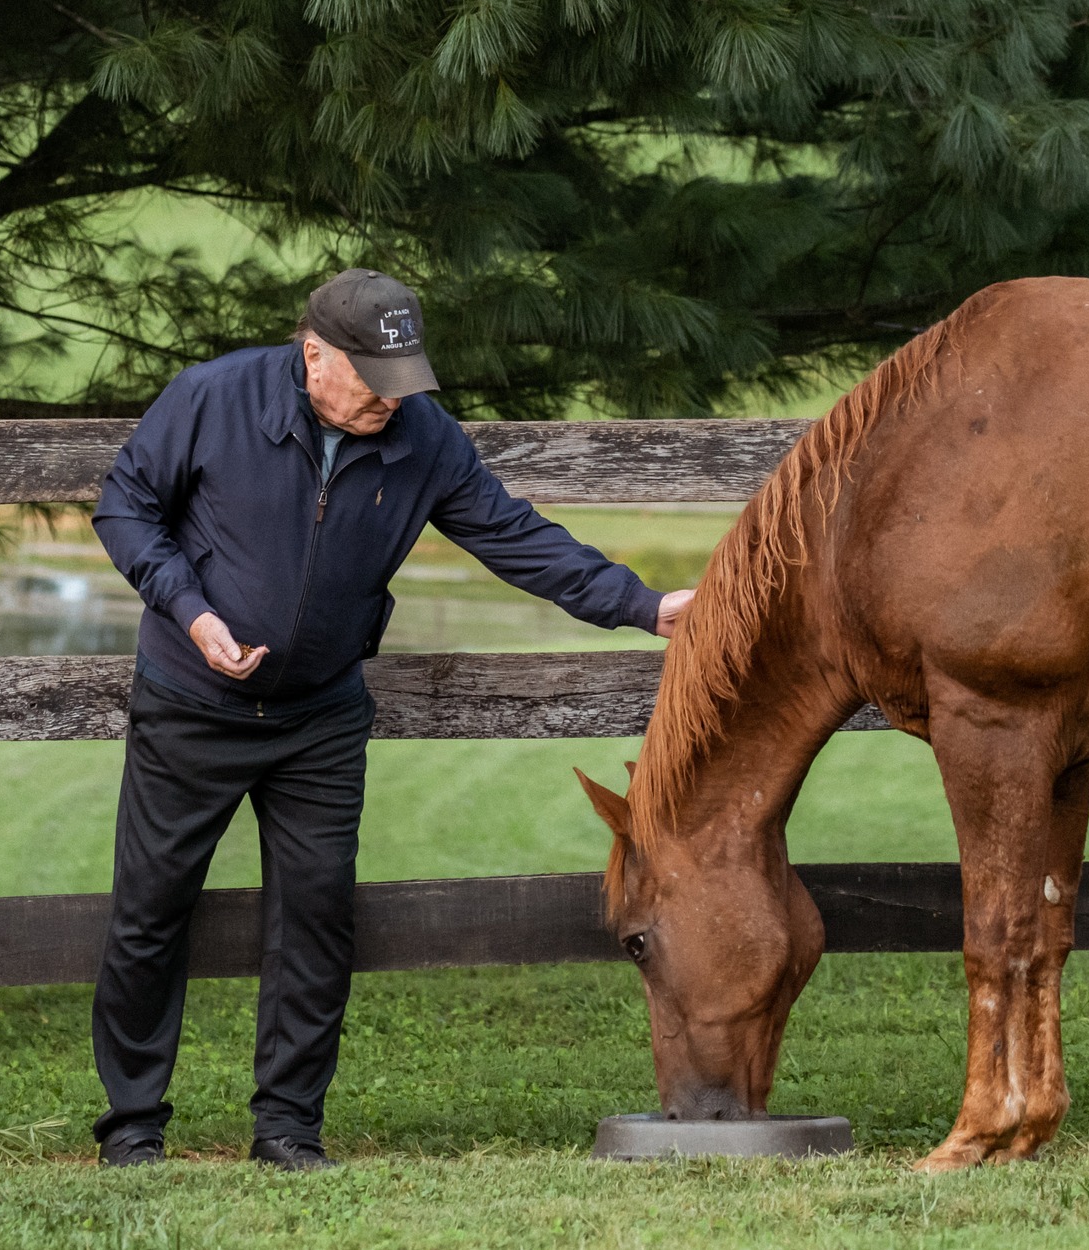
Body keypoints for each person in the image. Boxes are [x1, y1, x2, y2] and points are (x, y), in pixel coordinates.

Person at [87, 268, 693, 1170]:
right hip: (193, 702)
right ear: (314, 354)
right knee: (150, 910)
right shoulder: (214, 398)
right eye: (372, 376)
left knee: (318, 915)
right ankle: (134, 1127)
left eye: (403, 376)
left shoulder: (422, 436)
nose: (390, 398)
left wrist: (642, 607)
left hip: (321, 716)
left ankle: (288, 1128)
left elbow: (515, 535)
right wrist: (192, 611)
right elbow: (126, 508)